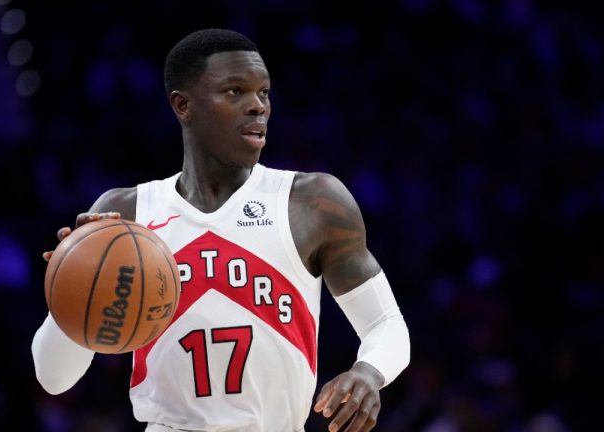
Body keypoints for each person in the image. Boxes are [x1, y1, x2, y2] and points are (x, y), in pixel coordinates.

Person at [32, 28, 410, 432]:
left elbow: (385, 323)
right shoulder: (126, 213)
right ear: (183, 105)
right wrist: (74, 285)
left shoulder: (311, 202)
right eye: (235, 92)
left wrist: (370, 372)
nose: (257, 107)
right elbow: (54, 379)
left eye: (264, 92)